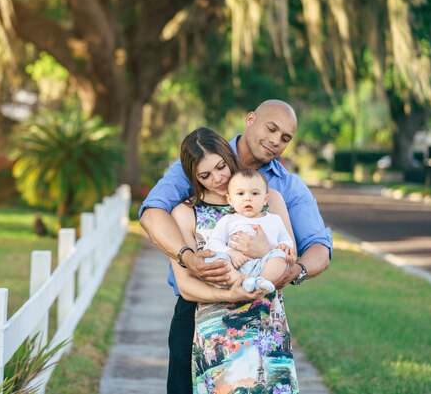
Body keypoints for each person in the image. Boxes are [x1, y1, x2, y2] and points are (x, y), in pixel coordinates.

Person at [139, 99, 333, 393]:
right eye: (271, 128)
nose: (275, 141)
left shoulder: (282, 191)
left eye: (285, 138)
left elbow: (316, 248)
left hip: (262, 319)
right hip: (198, 316)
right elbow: (152, 212)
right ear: (251, 119)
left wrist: (282, 266)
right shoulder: (199, 156)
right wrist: (189, 258)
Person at [169, 127, 299, 393]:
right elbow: (185, 286)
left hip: (264, 324)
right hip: (208, 326)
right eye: (205, 175)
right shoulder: (185, 212)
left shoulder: (269, 199)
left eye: (221, 167)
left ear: (229, 156)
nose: (217, 178)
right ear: (194, 176)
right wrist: (232, 294)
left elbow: (290, 260)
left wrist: (264, 251)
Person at [205, 169, 294, 295]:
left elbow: (287, 240)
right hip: (234, 266)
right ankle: (242, 281)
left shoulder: (275, 220)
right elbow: (214, 242)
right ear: (230, 200)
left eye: (255, 193)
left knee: (280, 257)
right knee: (215, 259)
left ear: (265, 199)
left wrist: (285, 245)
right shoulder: (228, 220)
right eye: (240, 194)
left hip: (263, 265)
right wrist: (230, 253)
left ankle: (261, 281)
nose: (247, 198)